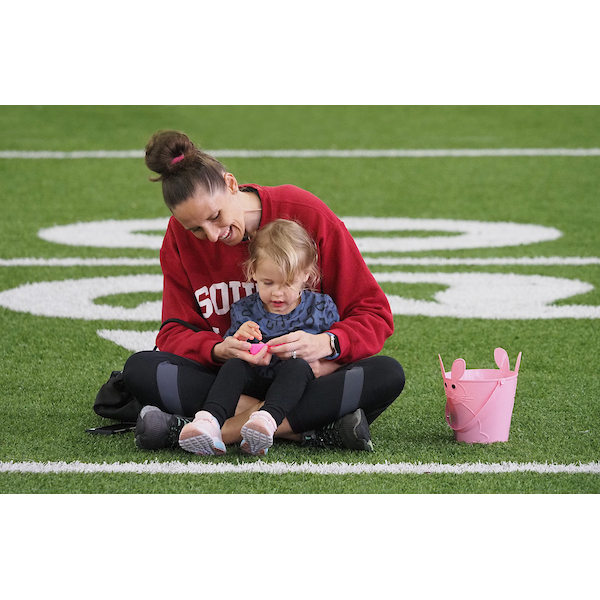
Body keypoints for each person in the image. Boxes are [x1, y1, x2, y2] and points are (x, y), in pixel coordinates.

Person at [125, 129, 405, 452]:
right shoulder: (178, 238)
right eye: (197, 230)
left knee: (387, 374)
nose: (213, 236)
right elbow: (173, 332)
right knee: (140, 370)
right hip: (232, 379)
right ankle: (311, 430)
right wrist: (220, 349)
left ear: (231, 184)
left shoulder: (305, 212)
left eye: (216, 216)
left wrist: (326, 344)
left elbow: (375, 313)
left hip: (306, 377)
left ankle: (207, 430)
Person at [179, 219, 341, 456]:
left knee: (298, 366)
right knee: (235, 364)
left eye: (287, 283)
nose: (277, 292)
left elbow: (339, 355)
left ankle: (265, 422)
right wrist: (240, 341)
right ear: (252, 271)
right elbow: (232, 351)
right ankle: (209, 420)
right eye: (268, 282)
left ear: (307, 275)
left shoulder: (320, 308)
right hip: (256, 383)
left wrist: (320, 358)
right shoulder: (244, 310)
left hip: (298, 388)